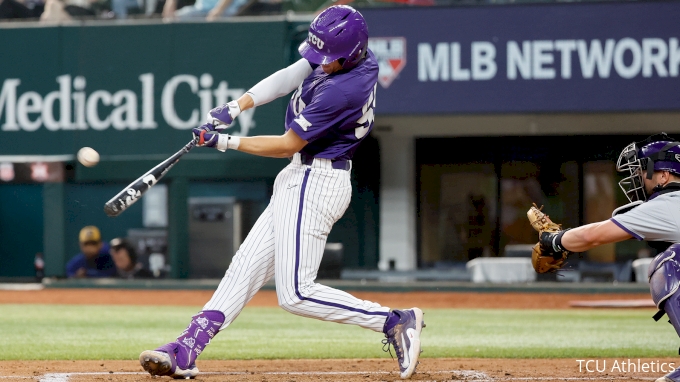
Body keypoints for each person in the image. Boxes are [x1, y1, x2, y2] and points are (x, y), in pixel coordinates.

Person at [139, 5, 424, 380]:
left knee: (295, 294)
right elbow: (295, 73)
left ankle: (394, 321)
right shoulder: (347, 57)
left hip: (317, 181)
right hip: (299, 177)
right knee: (244, 268)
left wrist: (224, 141)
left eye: (329, 59)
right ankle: (188, 347)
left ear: (350, 54)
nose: (321, 63)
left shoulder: (345, 89)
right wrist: (237, 105)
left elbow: (287, 144)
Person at [530, 133, 680, 382]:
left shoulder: (668, 203)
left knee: (670, 264)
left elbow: (595, 236)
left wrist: (553, 240)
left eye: (643, 171)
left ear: (663, 175)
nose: (639, 178)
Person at [161, 0, 246, 21]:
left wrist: (218, 10)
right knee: (169, 20)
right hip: (200, 11)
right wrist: (170, 4)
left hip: (228, 12)